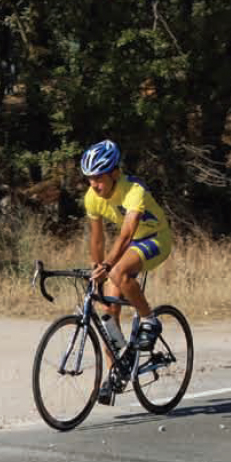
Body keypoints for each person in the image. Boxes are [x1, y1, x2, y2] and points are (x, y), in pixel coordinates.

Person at [80, 139, 173, 404]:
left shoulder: (133, 190)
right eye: (89, 179)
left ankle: (149, 319)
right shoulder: (92, 198)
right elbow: (97, 240)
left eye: (98, 178)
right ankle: (115, 374)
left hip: (156, 238)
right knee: (108, 313)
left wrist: (108, 266)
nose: (94, 185)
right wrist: (96, 270)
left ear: (113, 173)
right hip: (132, 244)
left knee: (118, 273)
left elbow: (126, 233)